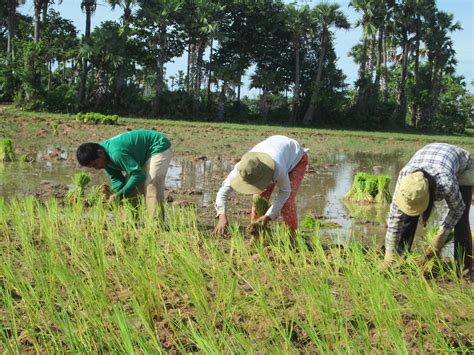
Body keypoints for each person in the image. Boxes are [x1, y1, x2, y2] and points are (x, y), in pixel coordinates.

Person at [380, 143, 473, 274]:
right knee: (408, 215)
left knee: (461, 221)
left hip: (463, 166)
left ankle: (464, 269)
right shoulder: (405, 179)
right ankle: (399, 258)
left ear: (430, 194)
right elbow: (395, 219)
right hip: (430, 157)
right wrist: (389, 256)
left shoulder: (446, 183)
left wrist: (440, 237)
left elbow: (458, 209)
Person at [214, 135, 308, 237]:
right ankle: (257, 234)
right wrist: (222, 216)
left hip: (296, 158)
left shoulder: (278, 169)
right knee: (259, 199)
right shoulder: (243, 168)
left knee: (287, 202)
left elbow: (285, 192)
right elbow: (222, 192)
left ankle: (291, 238)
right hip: (274, 147)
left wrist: (268, 216)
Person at [76, 129, 172, 217]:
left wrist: (119, 195)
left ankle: (156, 223)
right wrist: (114, 194)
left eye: (95, 164)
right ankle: (129, 221)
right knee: (129, 187)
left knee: (151, 183)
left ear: (100, 152)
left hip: (157, 146)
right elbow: (116, 178)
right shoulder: (103, 158)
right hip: (140, 156)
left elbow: (138, 175)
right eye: (92, 167)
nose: (96, 168)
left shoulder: (116, 154)